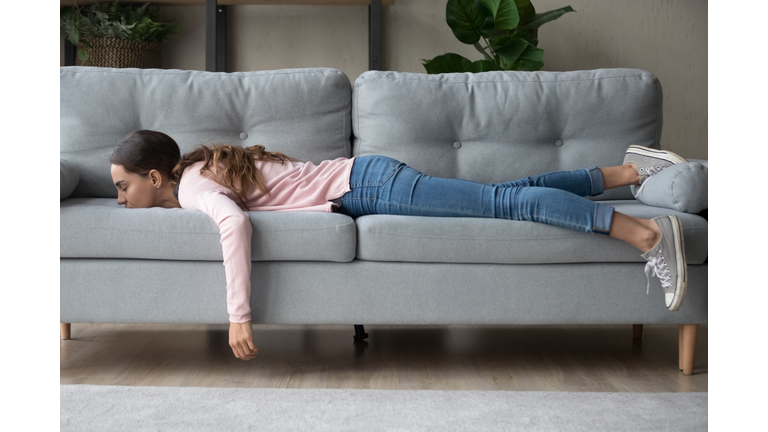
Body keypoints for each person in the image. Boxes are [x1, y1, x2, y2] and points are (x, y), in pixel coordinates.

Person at [109, 130, 688, 361]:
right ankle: (629, 172)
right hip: (367, 179)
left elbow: (234, 226)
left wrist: (239, 317)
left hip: (368, 185)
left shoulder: (191, 188)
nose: (119, 198)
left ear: (155, 177)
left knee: (503, 205)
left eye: (122, 186)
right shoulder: (194, 174)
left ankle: (648, 235)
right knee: (498, 194)